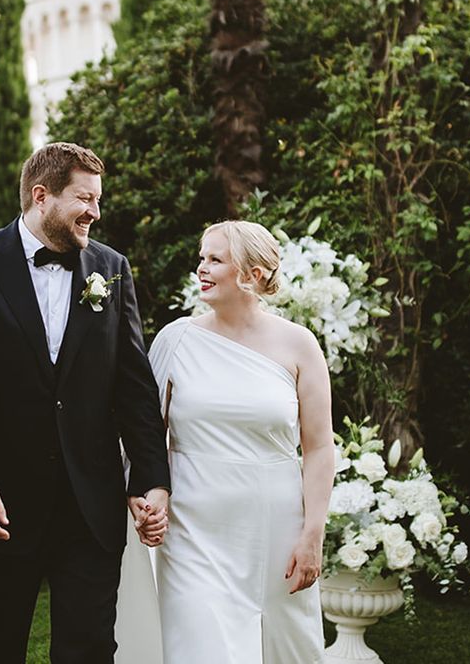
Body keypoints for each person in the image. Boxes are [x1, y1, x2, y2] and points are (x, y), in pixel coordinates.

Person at [0, 142, 170, 663]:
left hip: (89, 509)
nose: (95, 212)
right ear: (41, 196)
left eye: (98, 200)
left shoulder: (112, 267)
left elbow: (134, 386)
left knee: (89, 653)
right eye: (85, 198)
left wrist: (151, 478)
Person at [147, 220, 335, 664]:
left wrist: (313, 533)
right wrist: (149, 493)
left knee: (285, 651)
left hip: (275, 532)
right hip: (193, 531)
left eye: (215, 260)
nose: (201, 268)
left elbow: (319, 447)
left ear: (252, 274)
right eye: (202, 258)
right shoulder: (176, 340)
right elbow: (146, 436)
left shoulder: (299, 345)